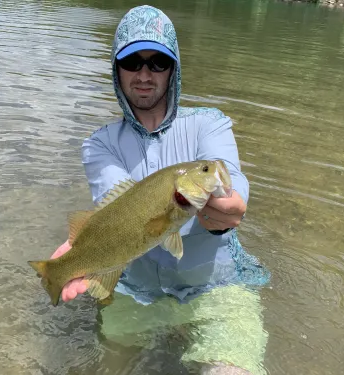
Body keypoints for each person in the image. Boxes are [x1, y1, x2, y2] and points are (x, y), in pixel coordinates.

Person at [51, 5, 271, 375]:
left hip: (215, 289)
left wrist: (231, 207)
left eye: (158, 62)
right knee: (107, 368)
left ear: (174, 69)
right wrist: (83, 252)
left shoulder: (209, 124)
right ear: (116, 69)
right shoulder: (98, 145)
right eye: (132, 61)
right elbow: (117, 210)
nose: (144, 74)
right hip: (135, 292)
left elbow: (231, 177)